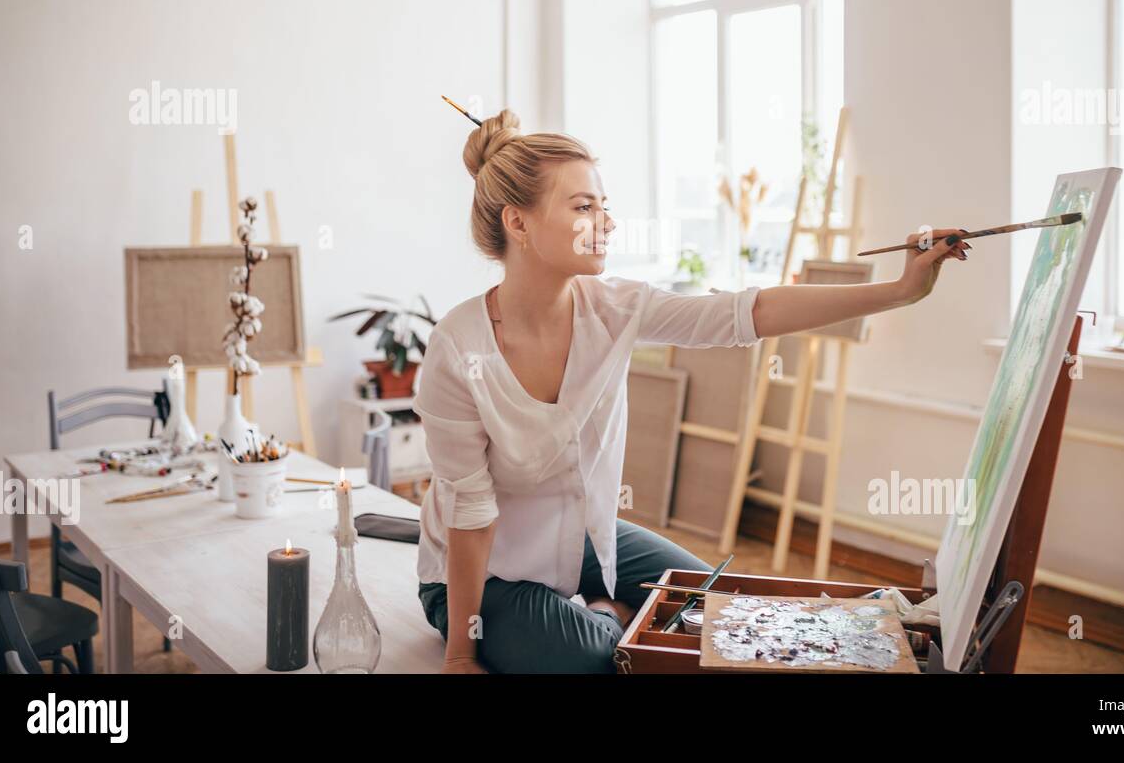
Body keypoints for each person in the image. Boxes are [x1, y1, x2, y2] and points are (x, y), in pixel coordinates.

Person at [413, 108, 970, 673]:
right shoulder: (459, 348)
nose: (606, 223)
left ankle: (610, 609)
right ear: (519, 222)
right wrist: (462, 653)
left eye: (605, 207)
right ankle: (609, 614)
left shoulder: (614, 309)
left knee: (725, 604)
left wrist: (900, 290)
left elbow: (745, 312)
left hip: (577, 545)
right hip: (484, 576)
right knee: (588, 657)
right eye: (584, 207)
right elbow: (470, 513)